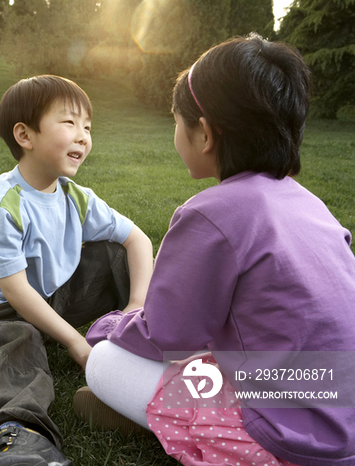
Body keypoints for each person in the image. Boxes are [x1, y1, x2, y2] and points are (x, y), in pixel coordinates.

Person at [73, 34, 355, 466]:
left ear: (203, 133)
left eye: (175, 121)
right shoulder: (310, 203)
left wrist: (110, 324)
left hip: (287, 440)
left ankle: (170, 425)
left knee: (105, 361)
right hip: (341, 413)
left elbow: (165, 334)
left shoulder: (210, 214)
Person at [0, 75, 155, 466]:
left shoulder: (76, 196)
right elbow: (16, 293)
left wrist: (136, 304)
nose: (83, 136)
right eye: (69, 123)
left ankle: (155, 334)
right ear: (25, 136)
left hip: (52, 294)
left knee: (114, 253)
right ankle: (18, 440)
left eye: (88, 127)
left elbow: (137, 241)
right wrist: (76, 343)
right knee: (14, 343)